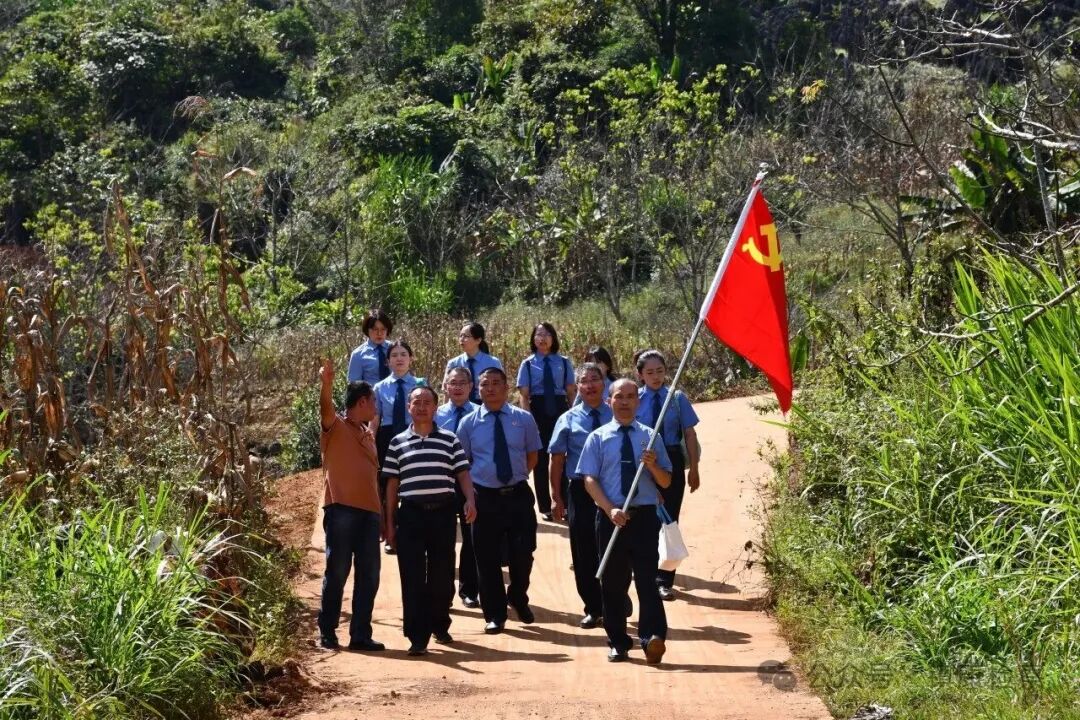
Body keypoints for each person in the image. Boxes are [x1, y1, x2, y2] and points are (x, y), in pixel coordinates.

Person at [578, 378, 672, 664]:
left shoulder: (651, 437)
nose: (625, 402)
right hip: (612, 518)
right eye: (619, 396)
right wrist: (609, 509)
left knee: (647, 580)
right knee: (613, 583)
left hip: (644, 518)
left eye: (631, 396)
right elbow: (589, 479)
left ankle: (653, 637)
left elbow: (666, 481)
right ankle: (618, 641)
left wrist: (653, 465)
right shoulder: (598, 437)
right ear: (609, 401)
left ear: (638, 401)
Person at [384, 385, 477, 656]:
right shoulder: (397, 442)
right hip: (410, 515)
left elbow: (462, 474)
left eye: (427, 402)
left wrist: (470, 500)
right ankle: (417, 636)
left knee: (442, 574)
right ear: (408, 407)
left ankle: (440, 625)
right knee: (411, 576)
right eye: (417, 402)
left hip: (443, 514)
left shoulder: (449, 439)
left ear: (436, 407)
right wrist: (389, 523)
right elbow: (391, 485)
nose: (422, 407)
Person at [456, 367, 543, 634]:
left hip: (517, 495)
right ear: (478, 389)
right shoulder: (468, 423)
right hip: (484, 497)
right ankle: (494, 614)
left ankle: (517, 596)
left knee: (523, 553)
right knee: (486, 558)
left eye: (496, 383)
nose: (491, 388)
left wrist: (516, 477)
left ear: (506, 387)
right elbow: (463, 464)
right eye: (485, 384)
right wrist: (471, 496)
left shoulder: (523, 419)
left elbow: (532, 456)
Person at [315, 358, 385, 652]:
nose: (376, 407)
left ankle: (360, 634)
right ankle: (327, 631)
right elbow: (325, 409)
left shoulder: (367, 435)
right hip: (341, 509)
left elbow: (372, 477)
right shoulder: (336, 426)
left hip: (370, 514)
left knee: (369, 575)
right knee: (338, 571)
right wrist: (327, 384)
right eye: (373, 401)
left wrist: (382, 518)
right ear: (363, 401)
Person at [549, 363, 612, 629]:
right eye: (584, 381)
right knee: (584, 550)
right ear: (577, 387)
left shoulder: (617, 413)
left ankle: (615, 600)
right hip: (580, 491)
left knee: (614, 547)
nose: (590, 385)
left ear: (604, 383)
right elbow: (556, 460)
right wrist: (556, 496)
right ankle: (593, 607)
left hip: (613, 489)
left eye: (595, 379)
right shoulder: (568, 419)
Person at [635, 349, 701, 600]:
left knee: (669, 518)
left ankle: (664, 579)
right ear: (640, 374)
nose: (656, 377)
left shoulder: (677, 398)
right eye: (650, 372)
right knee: (644, 517)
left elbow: (690, 434)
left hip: (670, 459)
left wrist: (694, 469)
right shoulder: (634, 398)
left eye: (660, 371)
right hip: (643, 461)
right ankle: (644, 571)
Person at [516, 322, 576, 521]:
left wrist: (574, 415)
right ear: (533, 339)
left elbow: (570, 391)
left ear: (553, 338)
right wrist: (528, 420)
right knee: (540, 459)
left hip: (560, 409)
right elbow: (524, 395)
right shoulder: (527, 364)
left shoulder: (564, 362)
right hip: (538, 410)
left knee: (562, 457)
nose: (542, 338)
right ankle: (545, 507)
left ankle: (564, 503)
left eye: (547, 334)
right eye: (539, 334)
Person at [434, 366, 481, 609]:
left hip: (471, 482)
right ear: (445, 387)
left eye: (463, 382)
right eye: (453, 382)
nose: (458, 387)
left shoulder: (481, 414)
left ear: (471, 387)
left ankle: (469, 590)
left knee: (471, 538)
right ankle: (443, 592)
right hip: (441, 482)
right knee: (443, 539)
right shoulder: (436, 414)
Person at [372, 340, 418, 554]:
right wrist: (370, 443)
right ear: (387, 361)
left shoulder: (420, 384)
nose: (399, 359)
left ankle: (411, 533)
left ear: (411, 359)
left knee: (411, 486)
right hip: (388, 439)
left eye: (403, 354)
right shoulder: (379, 387)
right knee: (388, 488)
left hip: (414, 437)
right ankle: (390, 534)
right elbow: (375, 419)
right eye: (394, 355)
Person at [444, 322, 502, 404]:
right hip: (460, 406)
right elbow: (447, 391)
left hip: (486, 405)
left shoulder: (493, 362)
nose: (461, 339)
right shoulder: (454, 363)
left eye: (466, 336)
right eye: (460, 336)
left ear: (478, 340)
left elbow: (501, 389)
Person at [347, 308, 393, 385]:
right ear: (367, 330)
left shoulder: (395, 349)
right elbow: (354, 386)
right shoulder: (358, 355)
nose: (379, 333)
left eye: (383, 329)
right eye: (375, 329)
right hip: (371, 392)